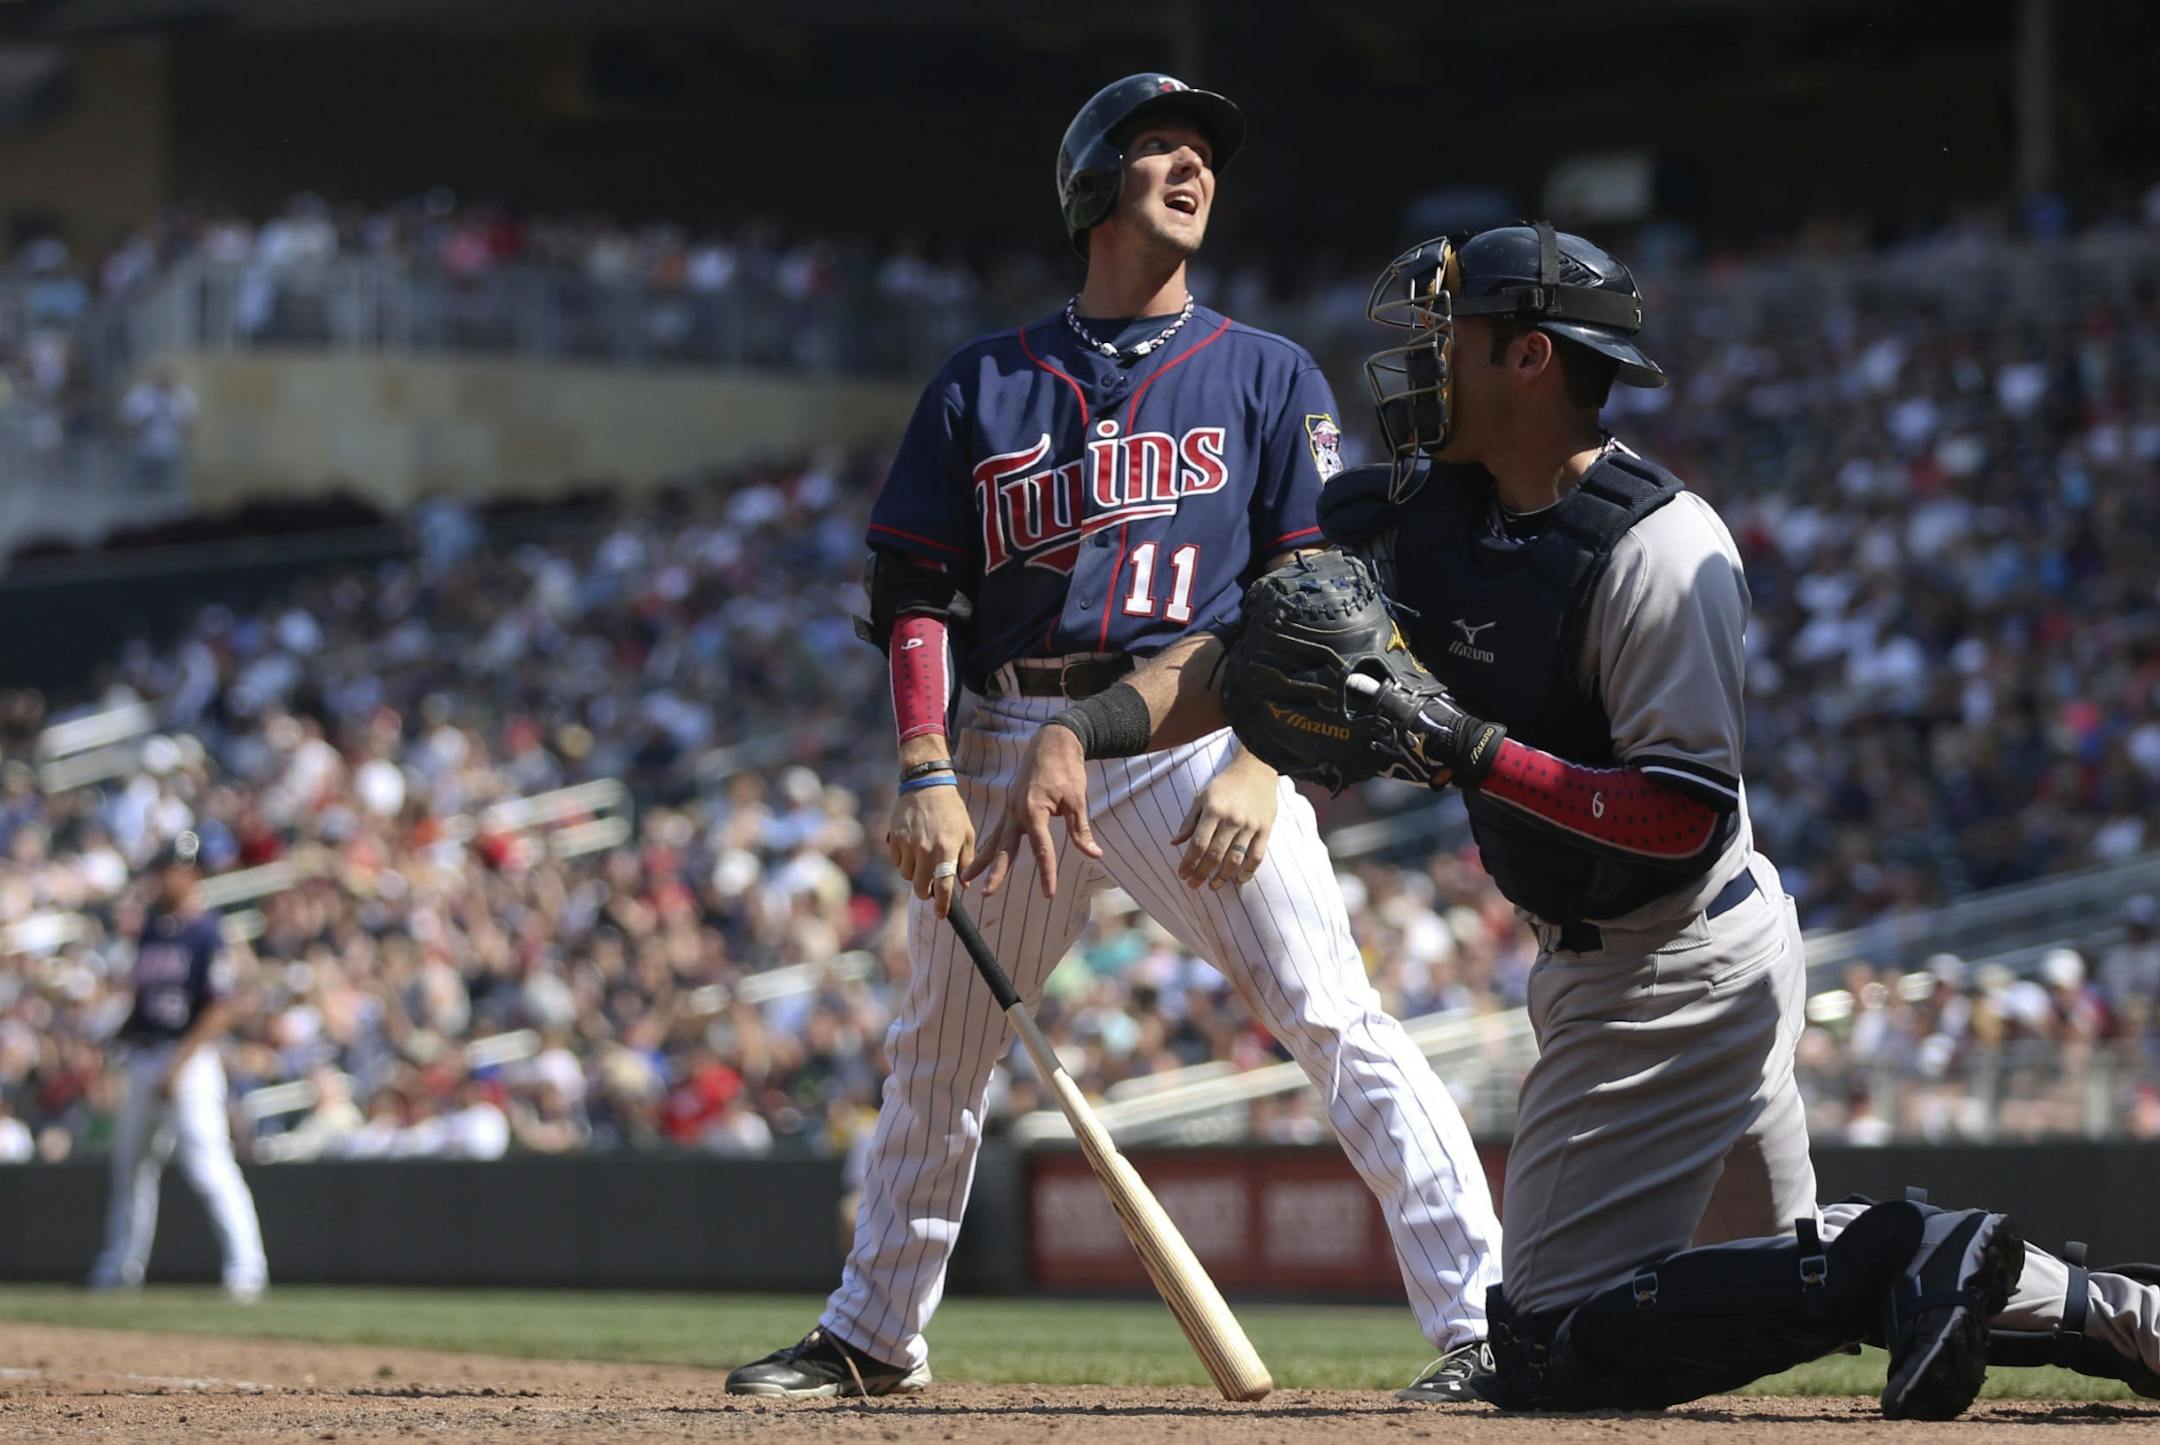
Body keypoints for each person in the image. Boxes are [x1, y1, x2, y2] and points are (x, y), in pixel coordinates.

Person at [1029, 222, 2160, 1414]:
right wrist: (1082, 730)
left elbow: (1677, 816)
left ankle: (1903, 1252)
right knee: (1778, 1267)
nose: (1424, 357)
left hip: (1669, 960)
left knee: (1548, 1343)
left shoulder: (1659, 549)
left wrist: (1473, 750)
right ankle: (2108, 1310)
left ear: (1529, 357)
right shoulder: (1420, 515)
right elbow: (1246, 655)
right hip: (1640, 949)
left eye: (1453, 332)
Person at [725, 73, 1502, 1401]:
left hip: (1191, 731)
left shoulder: (1266, 373)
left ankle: (1486, 1320)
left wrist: (1264, 757)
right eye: (1159, 147)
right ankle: (874, 1334)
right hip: (1001, 735)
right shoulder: (983, 381)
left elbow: (1315, 600)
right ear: (1092, 183)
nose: (1194, 168)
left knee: (1333, 1015)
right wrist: (926, 768)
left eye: (1205, 152)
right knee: (939, 1052)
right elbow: (915, 594)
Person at [87, 830, 268, 1301]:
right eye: (162, 869)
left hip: (189, 1060)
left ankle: (247, 1269)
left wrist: (177, 1064)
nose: (162, 878)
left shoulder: (207, 931)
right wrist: (113, 1047)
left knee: (209, 1166)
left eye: (171, 870)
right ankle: (119, 1269)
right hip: (145, 1056)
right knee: (131, 1170)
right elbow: (142, 1004)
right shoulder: (152, 930)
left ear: (192, 874)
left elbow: (222, 1007)